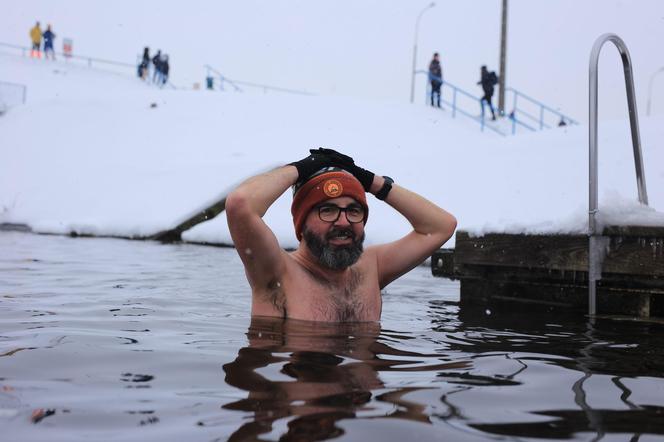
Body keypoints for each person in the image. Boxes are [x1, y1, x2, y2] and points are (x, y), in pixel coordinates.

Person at [225, 148, 457, 322]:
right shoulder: (276, 273)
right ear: (301, 221)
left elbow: (441, 226)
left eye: (354, 211)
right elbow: (240, 204)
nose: (343, 221)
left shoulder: (372, 267)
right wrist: (300, 168)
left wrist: (372, 182)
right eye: (328, 210)